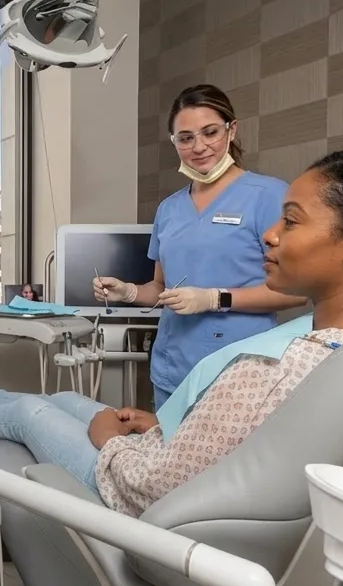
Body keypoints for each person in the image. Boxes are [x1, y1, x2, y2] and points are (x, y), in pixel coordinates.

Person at [0, 149, 343, 518]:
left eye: (291, 220)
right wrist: (167, 430)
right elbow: (251, 447)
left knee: (43, 412)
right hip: (186, 449)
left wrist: (110, 447)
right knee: (66, 398)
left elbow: (156, 487)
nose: (269, 235)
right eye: (184, 136)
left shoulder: (271, 367)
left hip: (156, 508)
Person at [95, 84, 308, 409]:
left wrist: (214, 299)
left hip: (238, 372)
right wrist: (129, 293)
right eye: (185, 138)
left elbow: (297, 291)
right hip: (171, 368)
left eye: (210, 132)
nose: (199, 147)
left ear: (231, 129)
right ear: (174, 142)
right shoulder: (169, 209)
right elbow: (162, 287)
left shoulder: (268, 196)